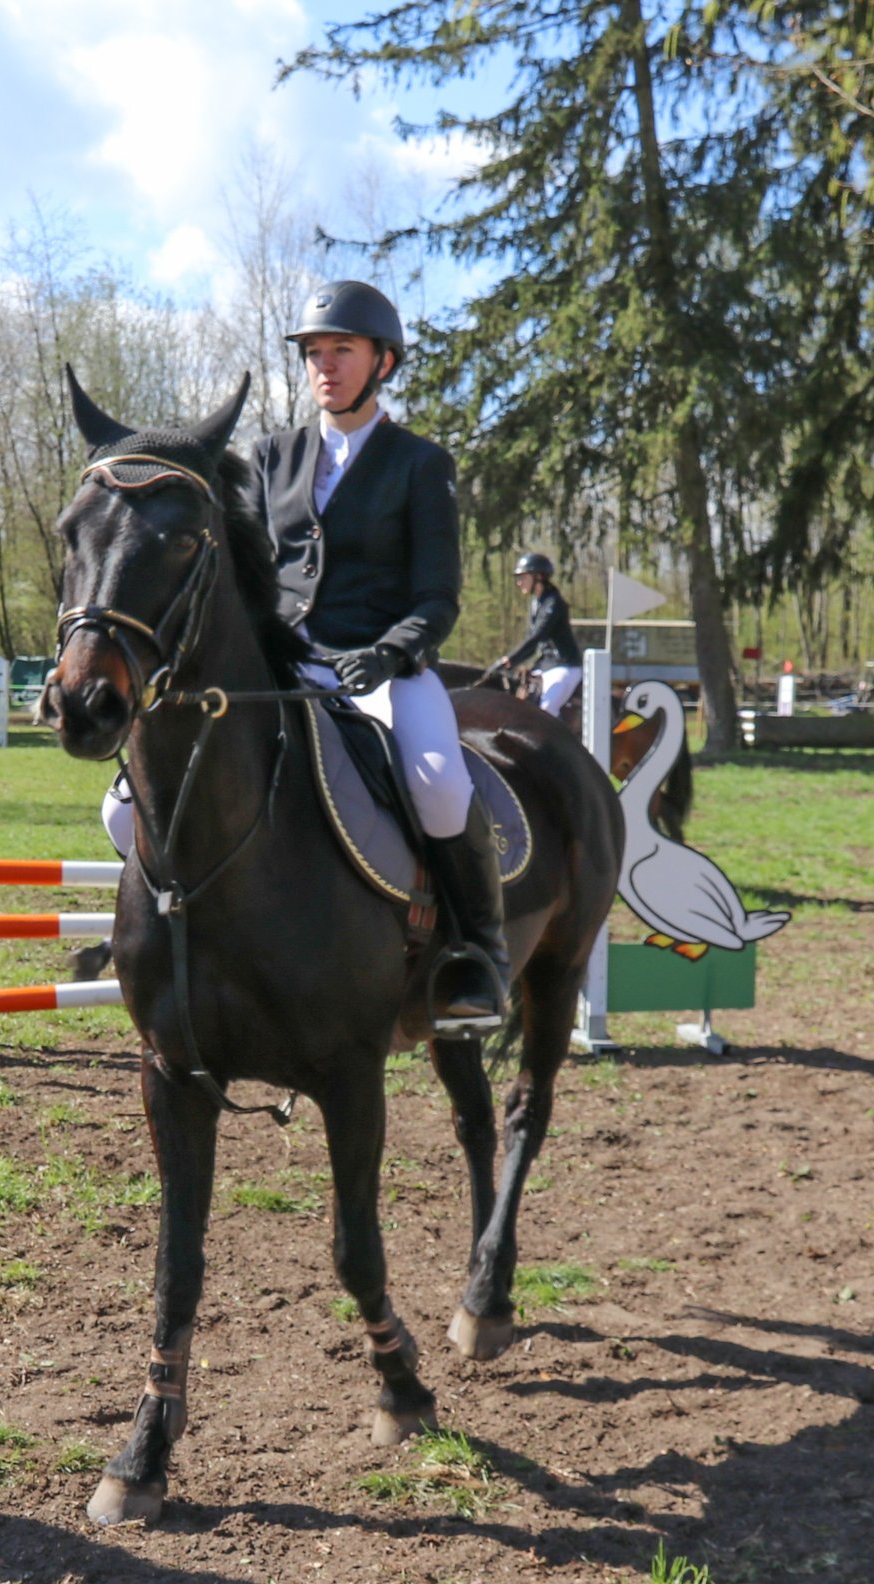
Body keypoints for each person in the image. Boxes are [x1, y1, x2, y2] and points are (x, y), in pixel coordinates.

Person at [253, 279, 508, 1035]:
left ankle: (478, 952)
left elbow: (437, 597)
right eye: (313, 353)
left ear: (383, 362)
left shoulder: (420, 464)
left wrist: (390, 652)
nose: (325, 366)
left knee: (438, 783)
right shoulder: (271, 457)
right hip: (281, 668)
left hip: (382, 671)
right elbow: (249, 574)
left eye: (342, 350)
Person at [493, 552, 582, 716]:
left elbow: (537, 636)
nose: (519, 582)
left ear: (539, 577)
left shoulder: (554, 603)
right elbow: (532, 644)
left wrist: (510, 659)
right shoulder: (536, 603)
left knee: (546, 709)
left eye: (523, 577)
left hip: (564, 666)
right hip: (545, 666)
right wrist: (511, 664)